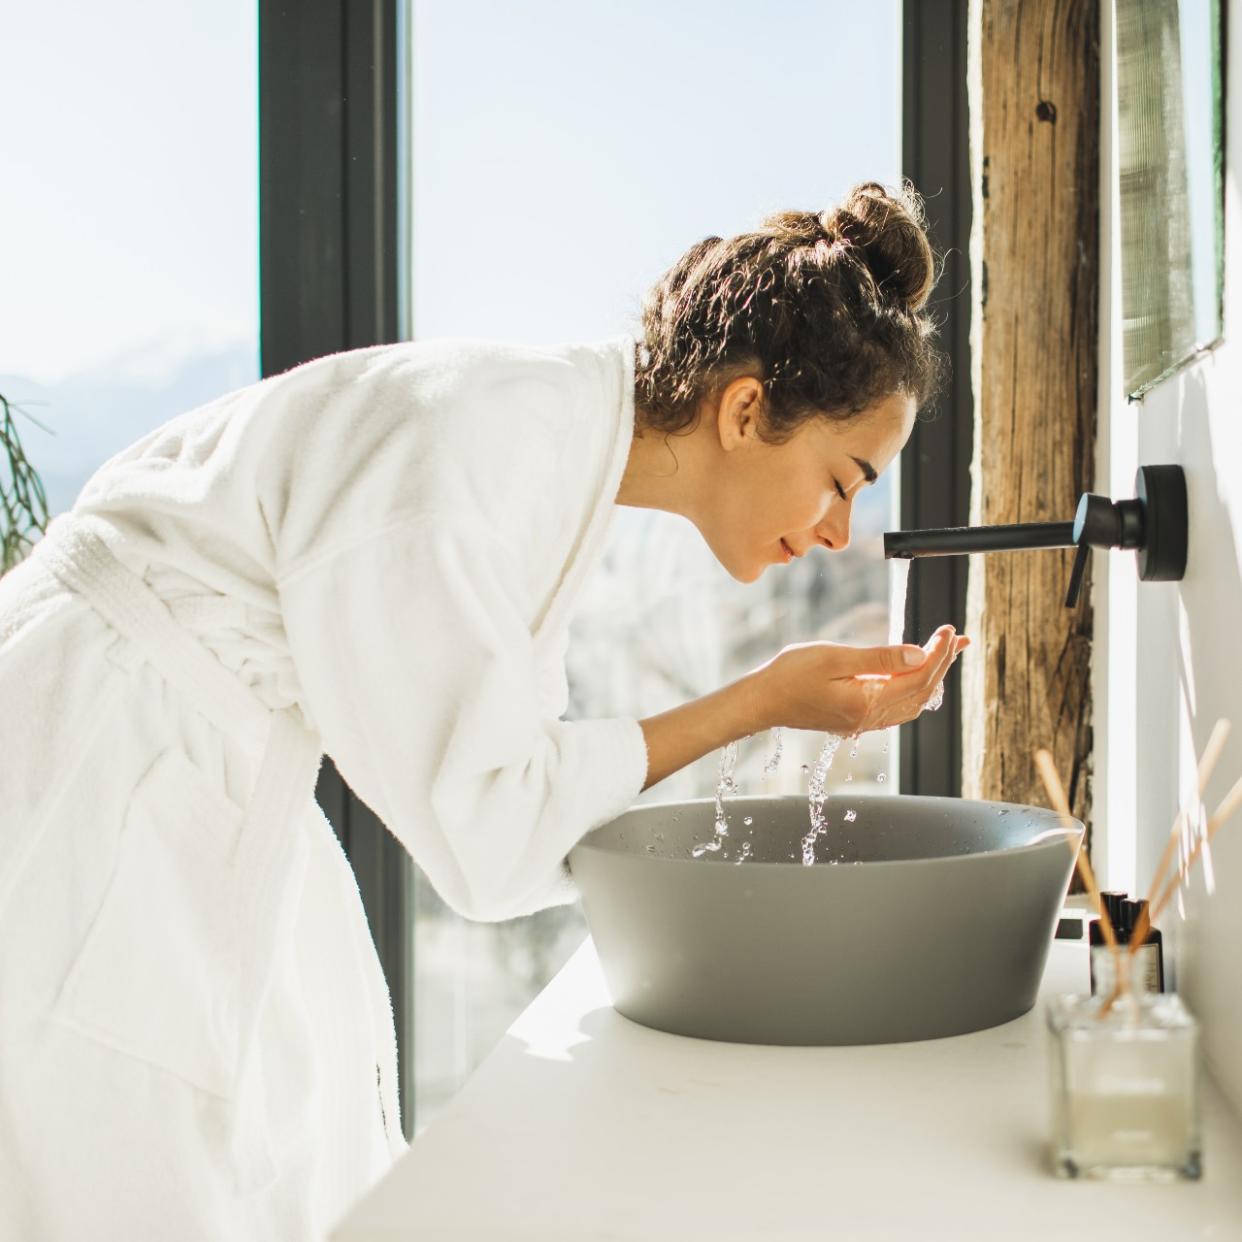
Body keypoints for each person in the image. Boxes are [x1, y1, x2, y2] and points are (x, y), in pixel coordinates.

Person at [0, 179, 969, 1240]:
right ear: (746, 412)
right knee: (135, 1155)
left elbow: (513, 785)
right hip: (103, 748)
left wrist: (767, 701)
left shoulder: (550, 446)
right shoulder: (476, 450)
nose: (841, 531)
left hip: (191, 746)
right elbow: (492, 837)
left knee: (278, 1126)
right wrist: (760, 702)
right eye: (845, 479)